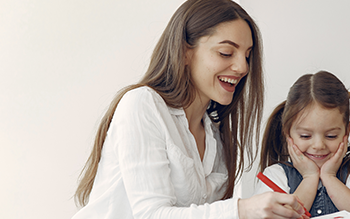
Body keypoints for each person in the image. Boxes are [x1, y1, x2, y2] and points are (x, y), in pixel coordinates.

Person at [72, 0, 307, 218]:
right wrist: (242, 209)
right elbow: (151, 215)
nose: (242, 67)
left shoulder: (216, 136)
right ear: (185, 52)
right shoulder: (142, 104)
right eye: (226, 53)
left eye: (247, 56)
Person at [255, 71, 350, 217]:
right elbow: (279, 216)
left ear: (347, 131)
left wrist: (329, 177)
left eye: (331, 136)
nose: (318, 145)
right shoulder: (276, 175)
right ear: (287, 132)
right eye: (305, 136)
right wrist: (309, 177)